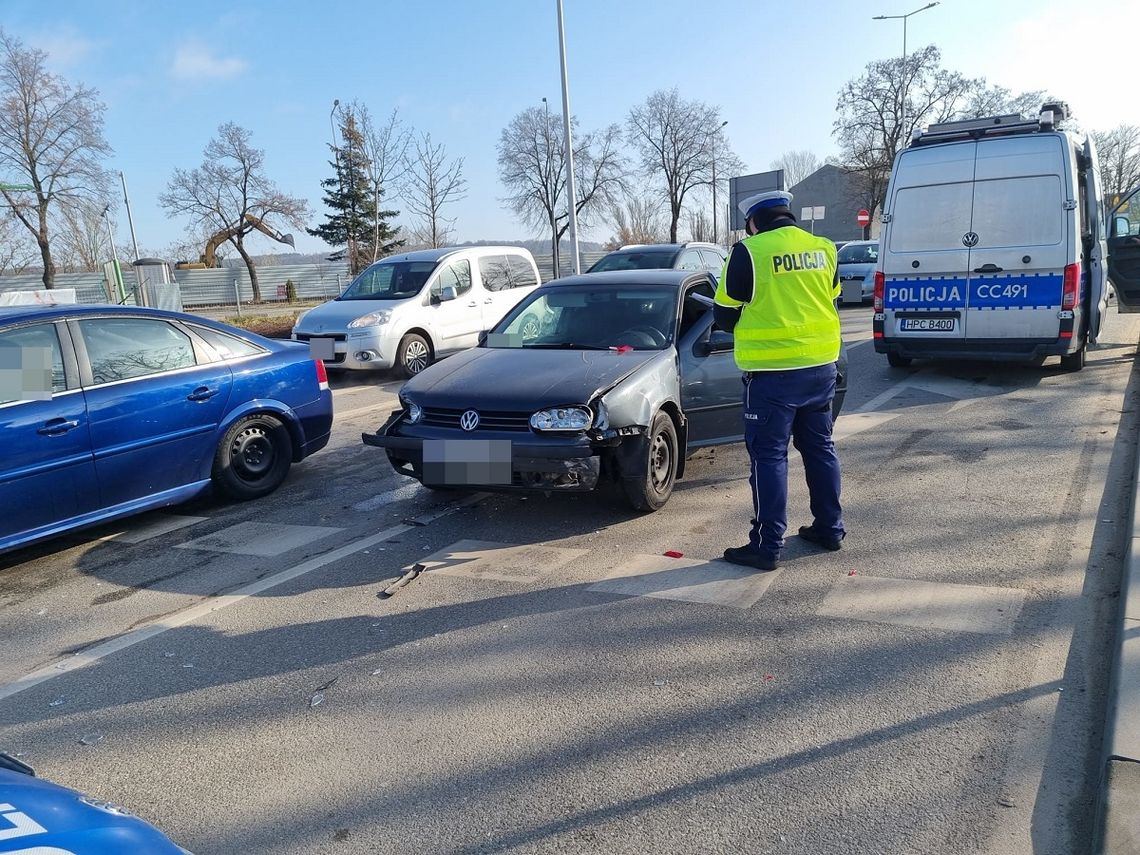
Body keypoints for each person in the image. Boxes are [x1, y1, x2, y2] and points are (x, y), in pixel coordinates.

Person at [713, 190, 845, 571]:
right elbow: (831, 300)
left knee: (769, 456)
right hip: (821, 368)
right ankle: (830, 528)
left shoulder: (748, 252)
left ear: (753, 222)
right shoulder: (824, 248)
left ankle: (767, 546)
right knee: (820, 448)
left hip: (772, 377)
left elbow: (724, 316)